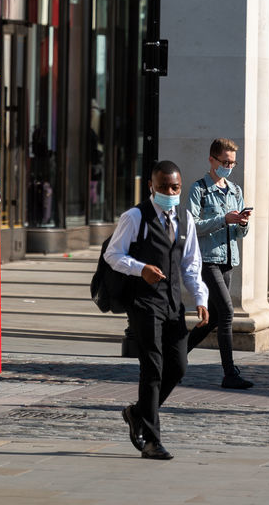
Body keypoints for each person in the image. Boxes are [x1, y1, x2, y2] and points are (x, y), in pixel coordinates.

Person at [105, 160, 209, 460]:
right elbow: (114, 254)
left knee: (178, 367)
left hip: (173, 303)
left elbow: (191, 266)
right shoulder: (135, 216)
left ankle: (137, 413)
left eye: (175, 186)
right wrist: (140, 269)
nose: (169, 191)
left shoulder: (185, 218)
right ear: (151, 186)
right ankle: (152, 440)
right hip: (144, 303)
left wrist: (200, 299)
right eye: (163, 186)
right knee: (152, 368)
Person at [186, 137, 254, 389]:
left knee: (214, 316)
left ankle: (176, 354)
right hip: (207, 260)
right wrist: (223, 219)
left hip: (228, 258)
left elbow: (239, 233)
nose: (229, 166)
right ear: (212, 160)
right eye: (225, 162)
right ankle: (229, 373)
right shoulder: (199, 189)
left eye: (232, 163)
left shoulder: (235, 190)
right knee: (226, 312)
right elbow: (191, 225)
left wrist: (242, 223)